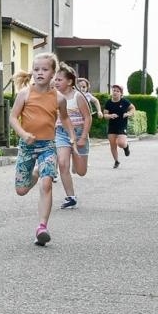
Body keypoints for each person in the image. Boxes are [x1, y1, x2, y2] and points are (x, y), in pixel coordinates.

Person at [9, 52, 79, 247]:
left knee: (46, 184)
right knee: (21, 190)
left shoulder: (58, 98)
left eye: (45, 69)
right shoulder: (25, 93)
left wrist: (72, 135)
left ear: (53, 73)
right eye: (36, 69)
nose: (39, 73)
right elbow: (13, 117)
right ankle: (37, 171)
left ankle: (42, 227)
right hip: (27, 146)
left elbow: (64, 118)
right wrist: (23, 134)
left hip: (48, 146)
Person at [53, 64, 91, 210]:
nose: (56, 82)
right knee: (62, 163)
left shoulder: (78, 96)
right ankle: (71, 197)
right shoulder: (55, 96)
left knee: (81, 172)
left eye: (59, 80)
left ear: (69, 81)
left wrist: (82, 137)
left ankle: (77, 162)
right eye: (55, 79)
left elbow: (87, 118)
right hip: (62, 133)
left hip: (79, 133)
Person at [103, 83, 135, 167]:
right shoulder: (108, 103)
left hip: (122, 125)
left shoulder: (124, 101)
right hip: (112, 126)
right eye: (114, 90)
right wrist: (110, 116)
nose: (115, 92)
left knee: (121, 143)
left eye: (117, 91)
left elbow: (133, 108)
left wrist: (128, 114)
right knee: (112, 144)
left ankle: (126, 147)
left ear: (121, 93)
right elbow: (105, 115)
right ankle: (116, 161)